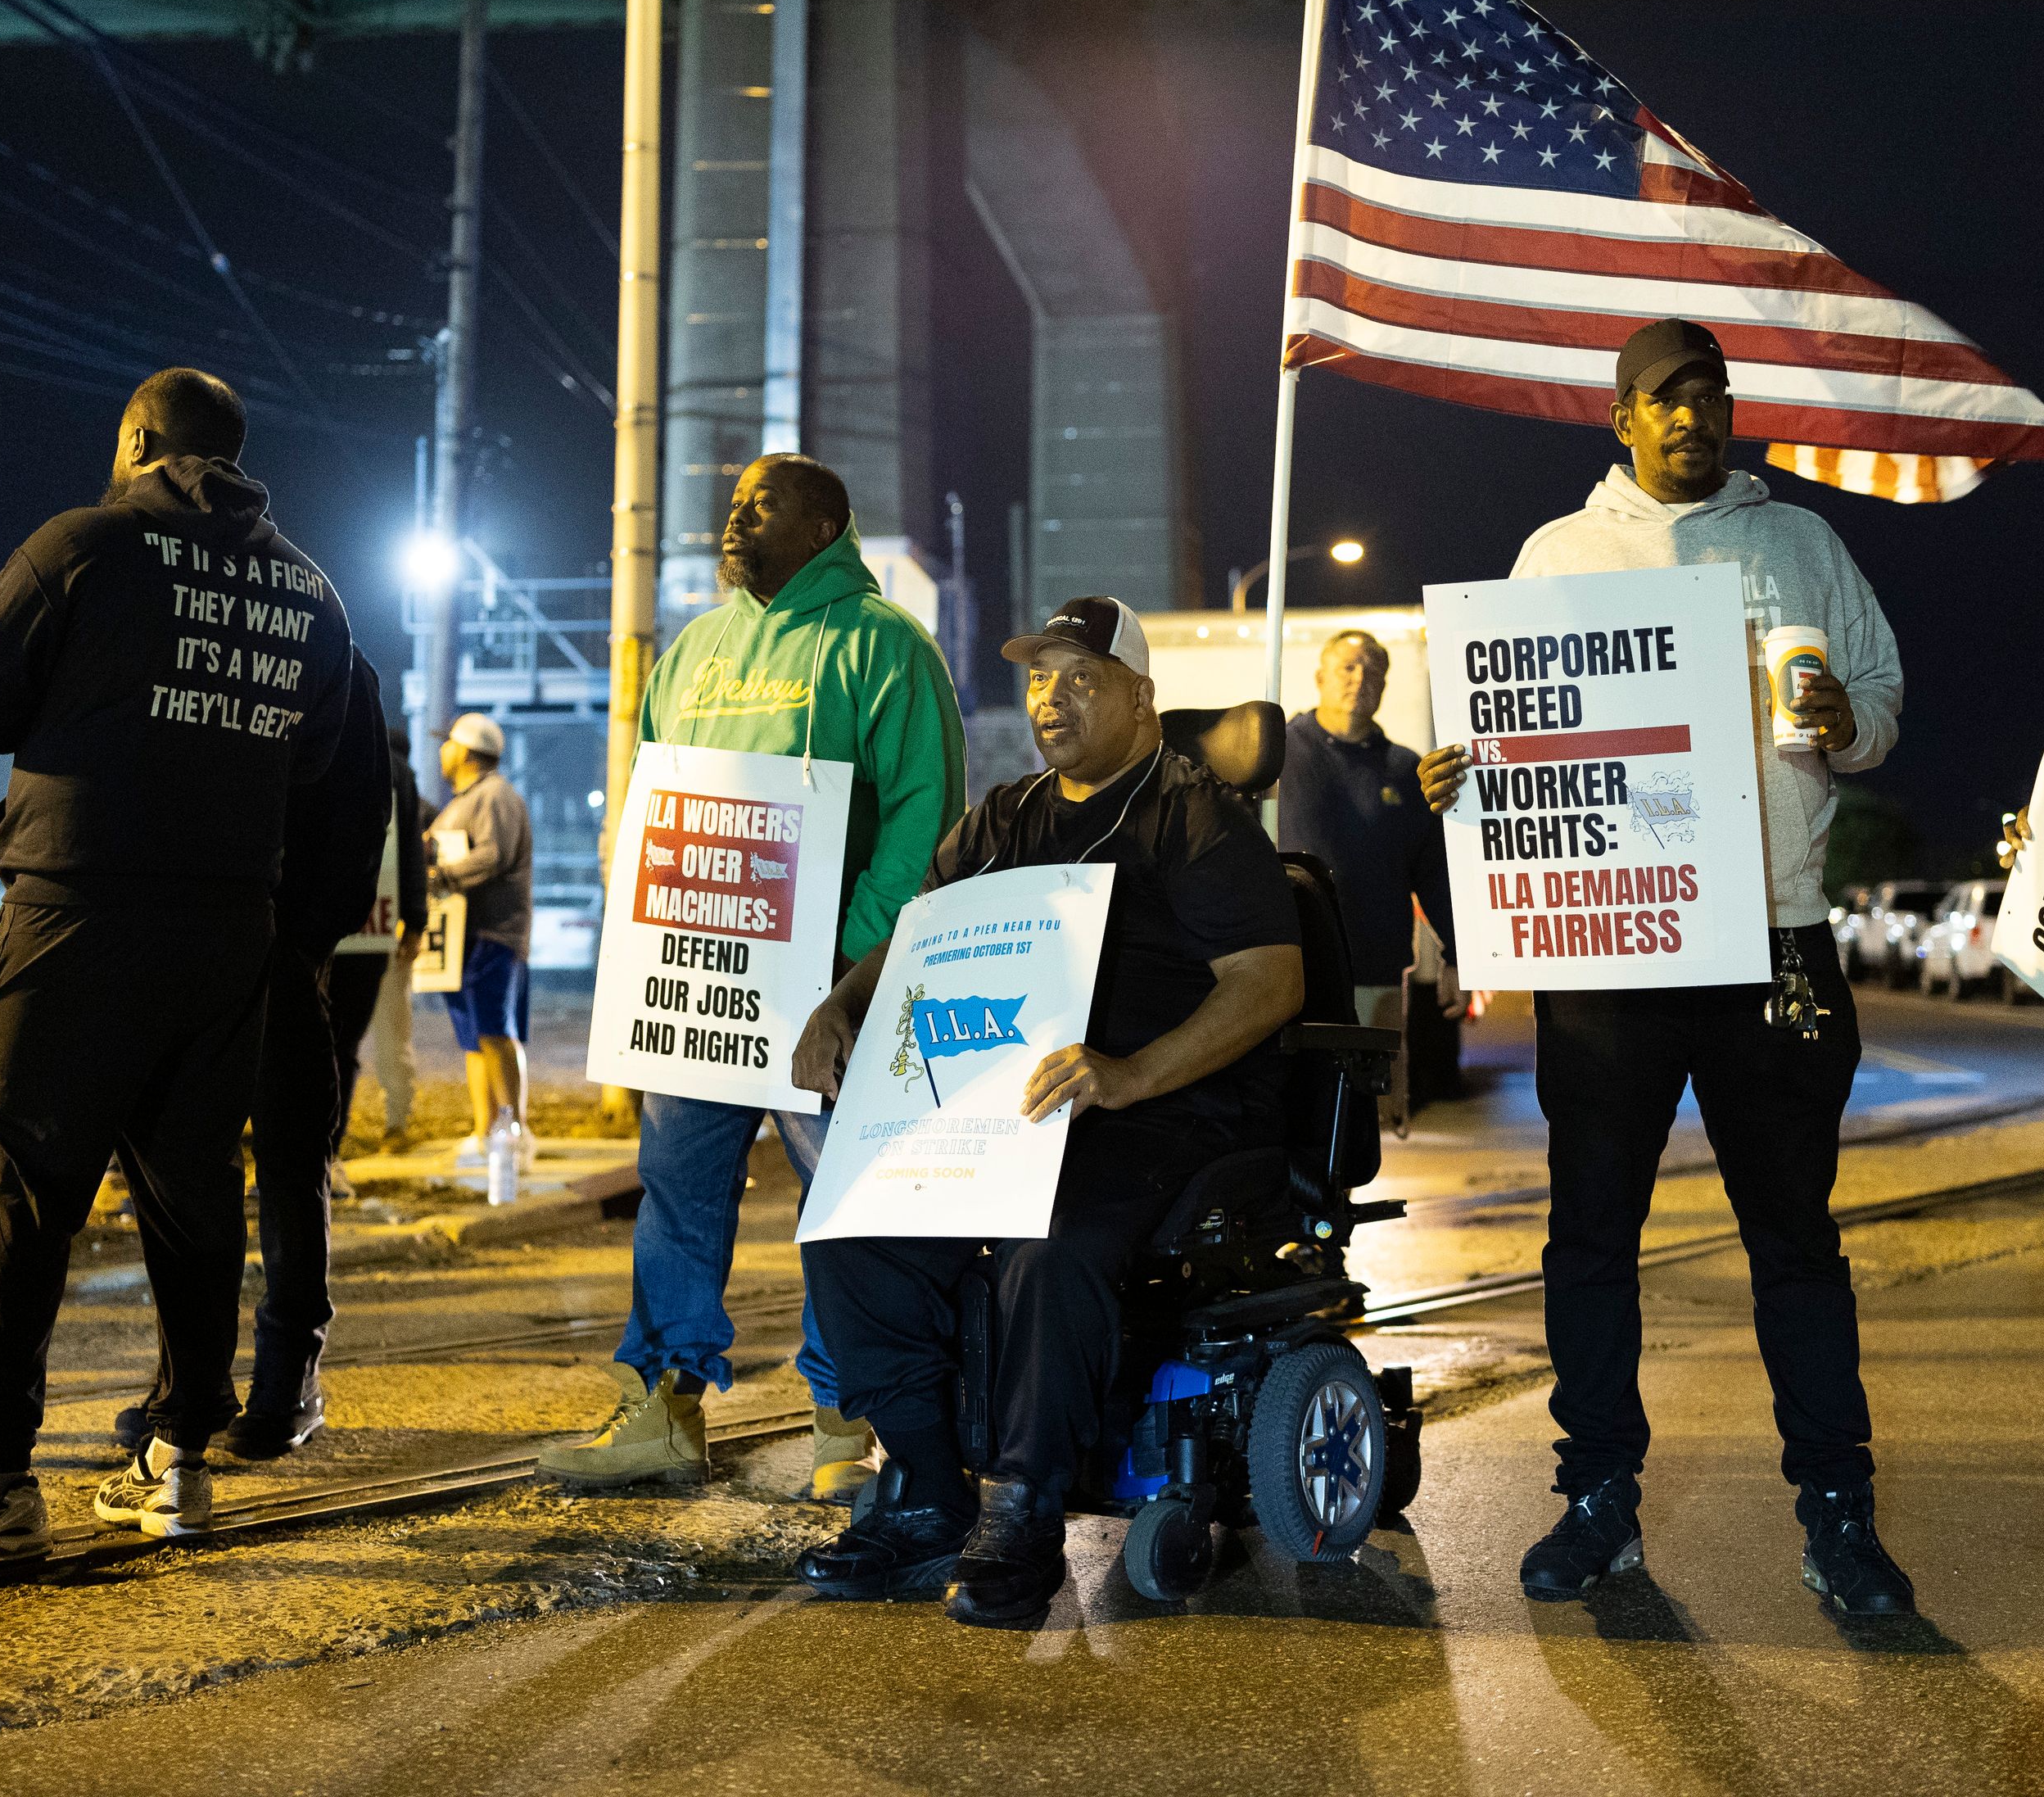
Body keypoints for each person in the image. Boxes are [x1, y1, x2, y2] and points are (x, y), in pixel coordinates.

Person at [1417, 318, 1914, 1617]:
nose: (1694, 415)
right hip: (1613, 950)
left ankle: (1838, 1514)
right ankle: (1597, 1500)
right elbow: (1496, 724)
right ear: (1622, 419)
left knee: (1795, 1242)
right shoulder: (1557, 557)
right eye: (1665, 398)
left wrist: (1850, 720)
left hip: (1775, 940)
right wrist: (1456, 773)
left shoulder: (1802, 544)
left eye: (1712, 395)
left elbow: (1880, 705)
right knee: (1590, 1237)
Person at [0, 369, 352, 1569]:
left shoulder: (85, 542)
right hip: (228, 930)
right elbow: (318, 754)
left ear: (137, 441)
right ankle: (178, 1464)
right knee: (189, 1199)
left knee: (23, 1194)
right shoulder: (310, 588)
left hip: (77, 913)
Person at [789, 595, 1302, 1626]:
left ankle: (1021, 1512)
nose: (1051, 697)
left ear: (1142, 698)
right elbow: (916, 942)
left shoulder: (1195, 815)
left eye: (1082, 677)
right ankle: (931, 1490)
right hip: (1003, 1105)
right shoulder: (1005, 817)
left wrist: (1129, 1073)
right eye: (1037, 677)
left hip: (1155, 1110)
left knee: (1047, 1246)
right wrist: (840, 1004)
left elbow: (1269, 981)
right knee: (853, 1231)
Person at [539, 453, 965, 1505]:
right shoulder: (692, 650)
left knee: (841, 1210)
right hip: (705, 995)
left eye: (759, 507)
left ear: (824, 525)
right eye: (731, 507)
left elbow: (922, 823)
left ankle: (845, 1417)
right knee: (678, 1196)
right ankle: (663, 1406)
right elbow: (656, 804)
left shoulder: (888, 649)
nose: (732, 523)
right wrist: (647, 958)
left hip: (826, 1000)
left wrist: (844, 976)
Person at [118, 650, 390, 1461]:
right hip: (212, 941)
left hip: (256, 947)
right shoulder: (319, 640)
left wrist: (306, 938)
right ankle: (201, 1390)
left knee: (266, 1165)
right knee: (206, 1173)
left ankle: (279, 1384)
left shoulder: (313, 643)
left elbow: (358, 805)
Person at [1276, 629, 1458, 1133]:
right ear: (1319, 677)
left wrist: (1458, 956)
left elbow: (1434, 873)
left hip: (1376, 978)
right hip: (1295, 974)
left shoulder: (1406, 770)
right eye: (1349, 667)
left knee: (1366, 1125)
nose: (1361, 679)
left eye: (1374, 670)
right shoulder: (1277, 757)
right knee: (1296, 1113)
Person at [425, 711, 534, 1166]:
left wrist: (441, 874)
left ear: (467, 752)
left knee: (495, 1032)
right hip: (464, 938)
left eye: (448, 743)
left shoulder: (493, 796)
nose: (442, 751)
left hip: (494, 933)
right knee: (475, 1037)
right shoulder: (466, 799)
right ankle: (485, 1129)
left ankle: (513, 1131)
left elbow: (493, 854)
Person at [328, 724, 428, 1151]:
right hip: (371, 926)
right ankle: (326, 1153)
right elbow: (412, 850)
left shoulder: (305, 740)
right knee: (343, 1044)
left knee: (297, 1046)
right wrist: (416, 919)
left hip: (307, 929)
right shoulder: (396, 772)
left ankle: (296, 1155)